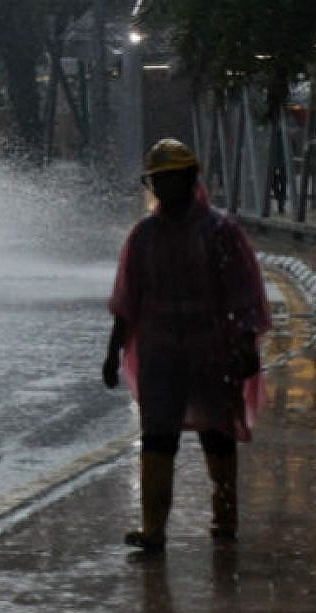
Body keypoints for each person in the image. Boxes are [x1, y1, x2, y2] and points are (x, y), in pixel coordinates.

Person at [103, 139, 271, 553]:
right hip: (160, 355)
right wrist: (113, 352)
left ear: (190, 179)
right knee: (158, 437)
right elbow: (127, 300)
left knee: (217, 433)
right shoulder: (142, 237)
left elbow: (243, 293)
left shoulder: (219, 232)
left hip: (212, 353)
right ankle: (153, 529)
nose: (163, 188)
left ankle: (225, 516)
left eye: (170, 179)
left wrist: (246, 342)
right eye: (157, 180)